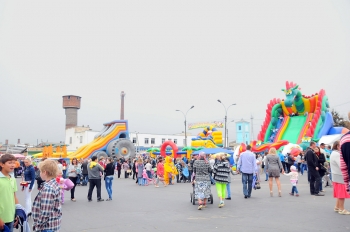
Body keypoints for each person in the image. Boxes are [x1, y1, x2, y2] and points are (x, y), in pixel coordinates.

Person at [32, 159, 62, 232]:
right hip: (53, 224)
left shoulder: (48, 188)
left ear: (45, 172)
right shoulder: (54, 184)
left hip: (47, 227)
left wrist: (38, 226)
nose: (39, 173)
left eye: (40, 171)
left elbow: (45, 212)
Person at [0, 154, 19, 232]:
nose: (12, 165)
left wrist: (18, 213)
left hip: (11, 217)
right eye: (10, 162)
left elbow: (14, 197)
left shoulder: (13, 179)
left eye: (14, 163)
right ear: (2, 164)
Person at [331, 140, 350, 214]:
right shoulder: (337, 154)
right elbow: (342, 165)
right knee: (342, 193)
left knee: (339, 193)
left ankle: (337, 206)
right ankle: (341, 209)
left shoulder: (334, 153)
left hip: (336, 176)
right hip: (340, 176)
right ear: (338, 146)